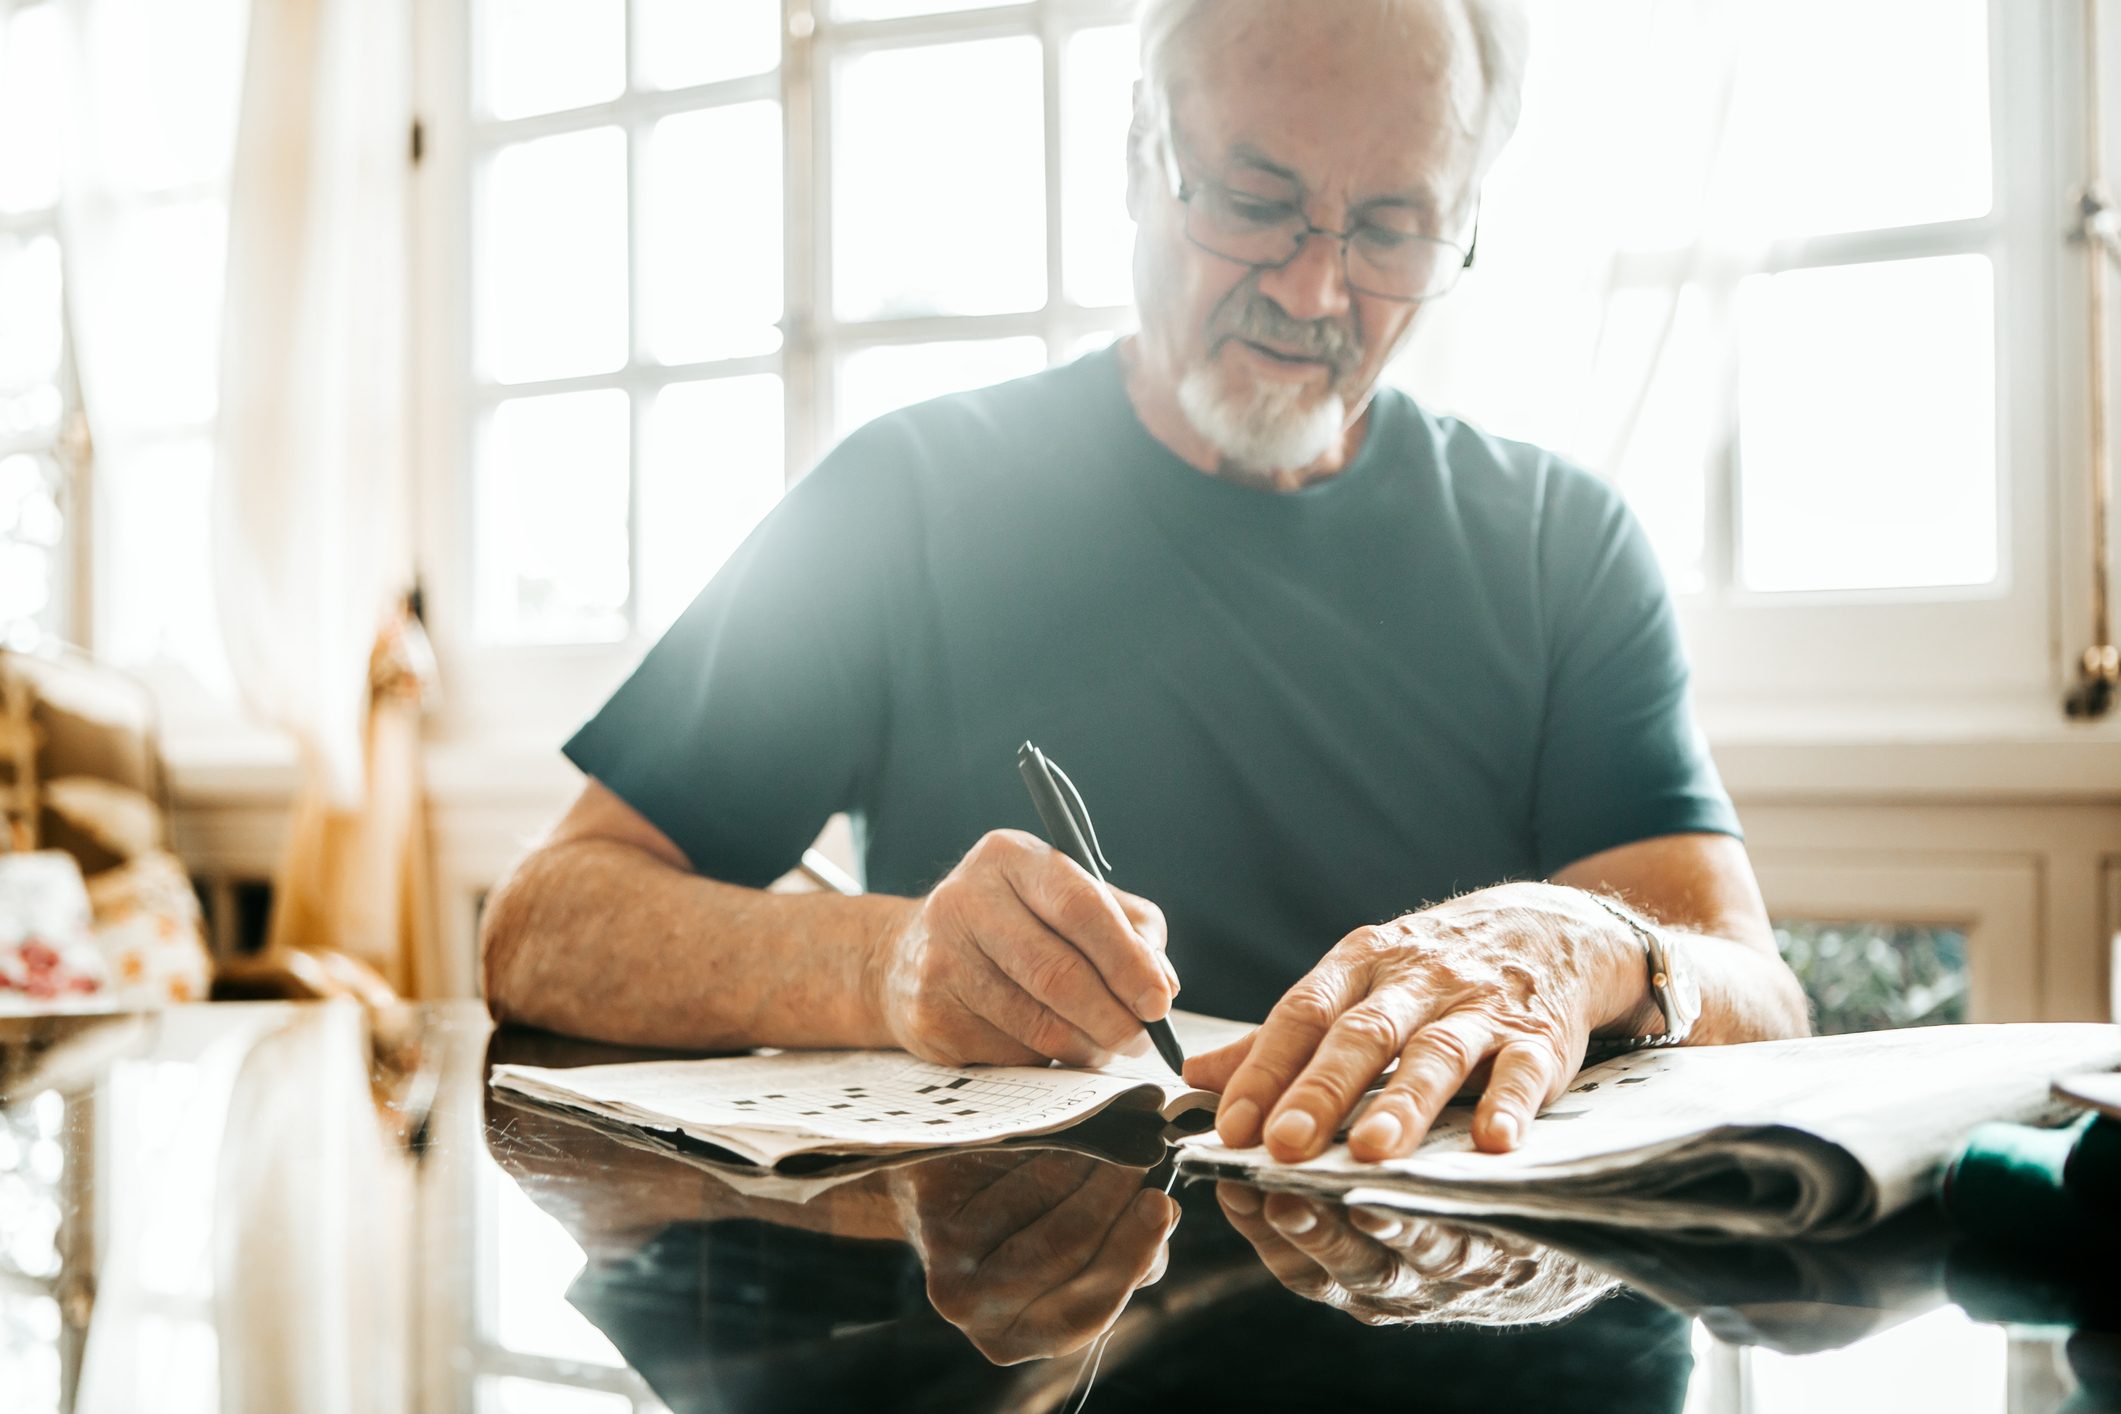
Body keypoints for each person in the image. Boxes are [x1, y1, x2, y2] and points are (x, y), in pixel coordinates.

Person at [481, 0, 1809, 1168]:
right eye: (1252, 201)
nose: (1313, 288)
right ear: (1136, 157)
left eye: (1393, 228)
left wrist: (1590, 944)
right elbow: (543, 925)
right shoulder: (909, 497)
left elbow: (1759, 996)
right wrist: (881, 967)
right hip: (1017, 1343)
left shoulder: (1557, 543)